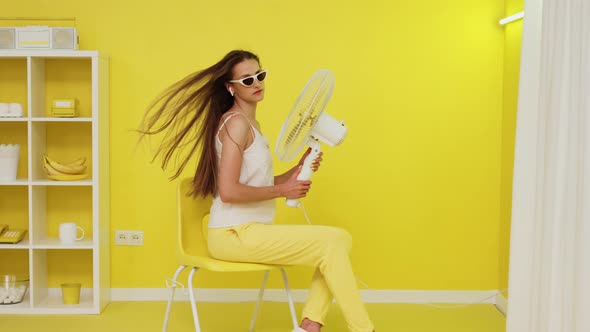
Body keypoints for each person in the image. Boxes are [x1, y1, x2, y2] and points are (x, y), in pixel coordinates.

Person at [139, 50, 375, 332]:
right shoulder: (236, 125)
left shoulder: (252, 125)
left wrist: (296, 170)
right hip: (232, 234)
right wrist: (283, 189)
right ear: (231, 87)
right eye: (247, 80)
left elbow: (256, 182)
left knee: (339, 240)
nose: (257, 83)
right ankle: (357, 329)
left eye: (260, 75)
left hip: (250, 231)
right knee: (333, 242)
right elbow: (228, 191)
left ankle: (310, 326)